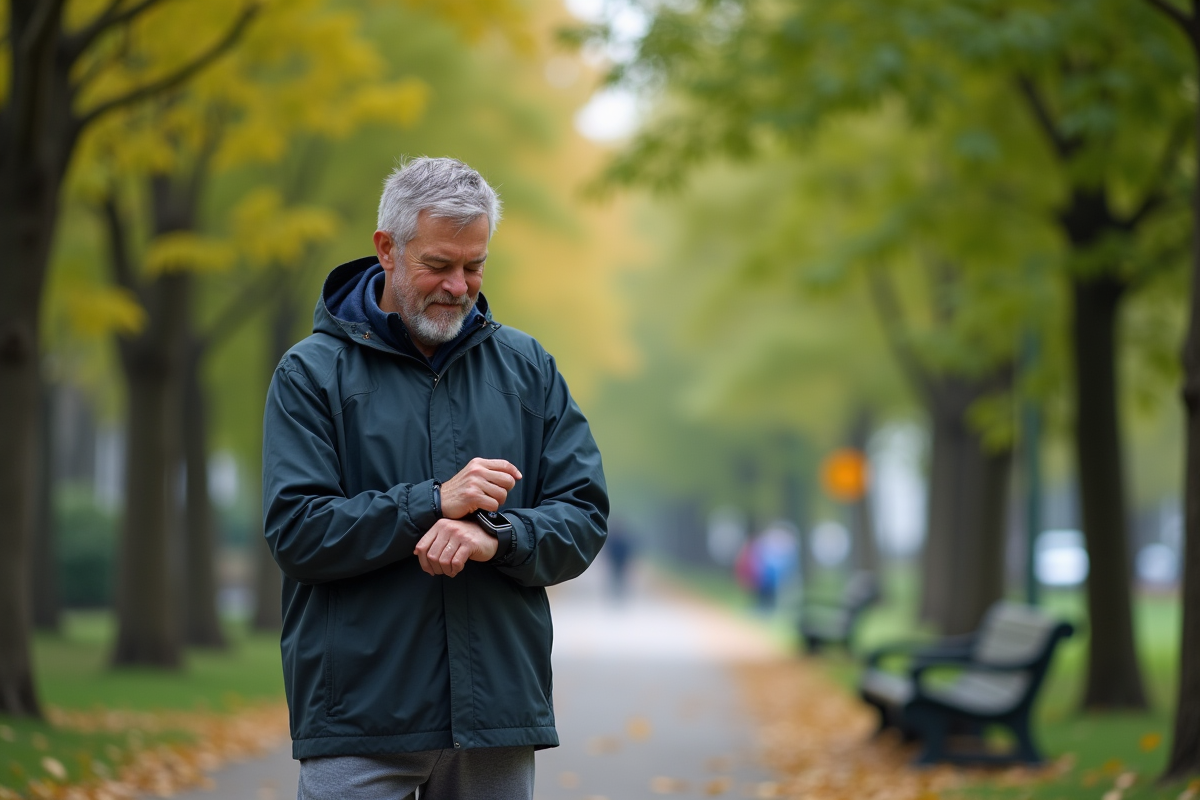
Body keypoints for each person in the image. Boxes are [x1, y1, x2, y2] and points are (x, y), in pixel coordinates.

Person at [261, 157, 609, 800]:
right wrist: (432, 502)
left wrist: (497, 537)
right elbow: (297, 531)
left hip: (496, 716)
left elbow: (584, 515)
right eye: (439, 265)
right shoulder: (310, 374)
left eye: (474, 266)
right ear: (387, 249)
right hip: (360, 716)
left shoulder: (529, 368)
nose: (458, 286)